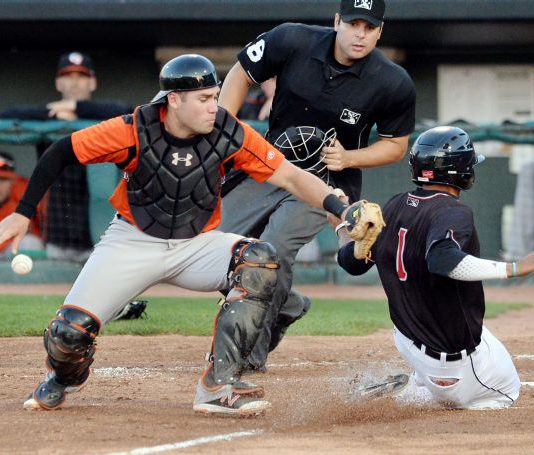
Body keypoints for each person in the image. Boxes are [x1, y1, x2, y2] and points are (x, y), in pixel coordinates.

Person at [0, 54, 355, 417]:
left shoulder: (228, 132)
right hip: (133, 240)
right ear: (174, 99)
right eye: (203, 98)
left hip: (195, 244)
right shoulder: (133, 130)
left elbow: (291, 176)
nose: (214, 106)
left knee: (259, 260)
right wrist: (22, 213)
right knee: (69, 335)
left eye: (214, 96)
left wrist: (341, 209)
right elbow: (62, 151)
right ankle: (64, 377)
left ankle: (219, 385)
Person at [217, 0, 416, 371]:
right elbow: (241, 72)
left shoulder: (392, 82)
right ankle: (287, 303)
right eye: (353, 23)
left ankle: (247, 356)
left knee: (273, 250)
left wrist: (349, 158)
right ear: (337, 21)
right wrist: (221, 132)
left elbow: (396, 145)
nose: (360, 34)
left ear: (380, 31)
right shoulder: (292, 39)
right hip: (270, 164)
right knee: (215, 249)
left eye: (369, 27)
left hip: (326, 181)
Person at [333, 126, 534, 409]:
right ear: (459, 171)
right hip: (451, 363)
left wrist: (342, 227)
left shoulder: (394, 205)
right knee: (506, 392)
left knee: (482, 335)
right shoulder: (454, 211)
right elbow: (442, 260)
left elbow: (350, 264)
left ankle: (419, 382)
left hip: (408, 339)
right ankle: (420, 395)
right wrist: (514, 268)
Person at [0, 51, 131, 262]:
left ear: (93, 83)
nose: (75, 83)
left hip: (101, 232)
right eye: (68, 76)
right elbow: (8, 114)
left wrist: (77, 108)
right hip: (57, 232)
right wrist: (50, 113)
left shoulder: (108, 119)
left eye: (81, 76)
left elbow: (126, 111)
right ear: (58, 83)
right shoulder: (47, 119)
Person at [0, 152, 44, 255]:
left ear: (12, 182)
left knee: (31, 242)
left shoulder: (25, 196)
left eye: (2, 180)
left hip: (11, 254)